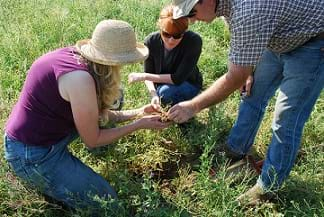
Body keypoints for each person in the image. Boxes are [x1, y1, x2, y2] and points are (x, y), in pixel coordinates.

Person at [3, 19, 170, 212]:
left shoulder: (79, 58)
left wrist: (139, 112)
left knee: (116, 94)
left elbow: (100, 114)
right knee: (106, 202)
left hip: (50, 129)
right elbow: (93, 139)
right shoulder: (80, 80)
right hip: (31, 154)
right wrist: (139, 124)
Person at [169, 0, 324, 205]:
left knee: (286, 120)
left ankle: (268, 188)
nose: (193, 21)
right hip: (279, 36)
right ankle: (236, 149)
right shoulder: (226, 7)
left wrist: (193, 106)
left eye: (192, 13)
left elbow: (234, 78)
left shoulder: (248, 12)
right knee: (251, 94)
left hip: (313, 43)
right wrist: (246, 70)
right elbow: (241, 54)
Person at [128, 5, 203, 111]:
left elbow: (177, 78)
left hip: (188, 82)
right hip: (162, 84)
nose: (171, 40)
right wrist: (153, 95)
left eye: (177, 35)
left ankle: (189, 105)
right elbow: (149, 73)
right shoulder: (151, 41)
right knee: (161, 92)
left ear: (185, 31)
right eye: (166, 34)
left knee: (165, 93)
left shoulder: (193, 41)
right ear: (160, 28)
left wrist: (144, 76)